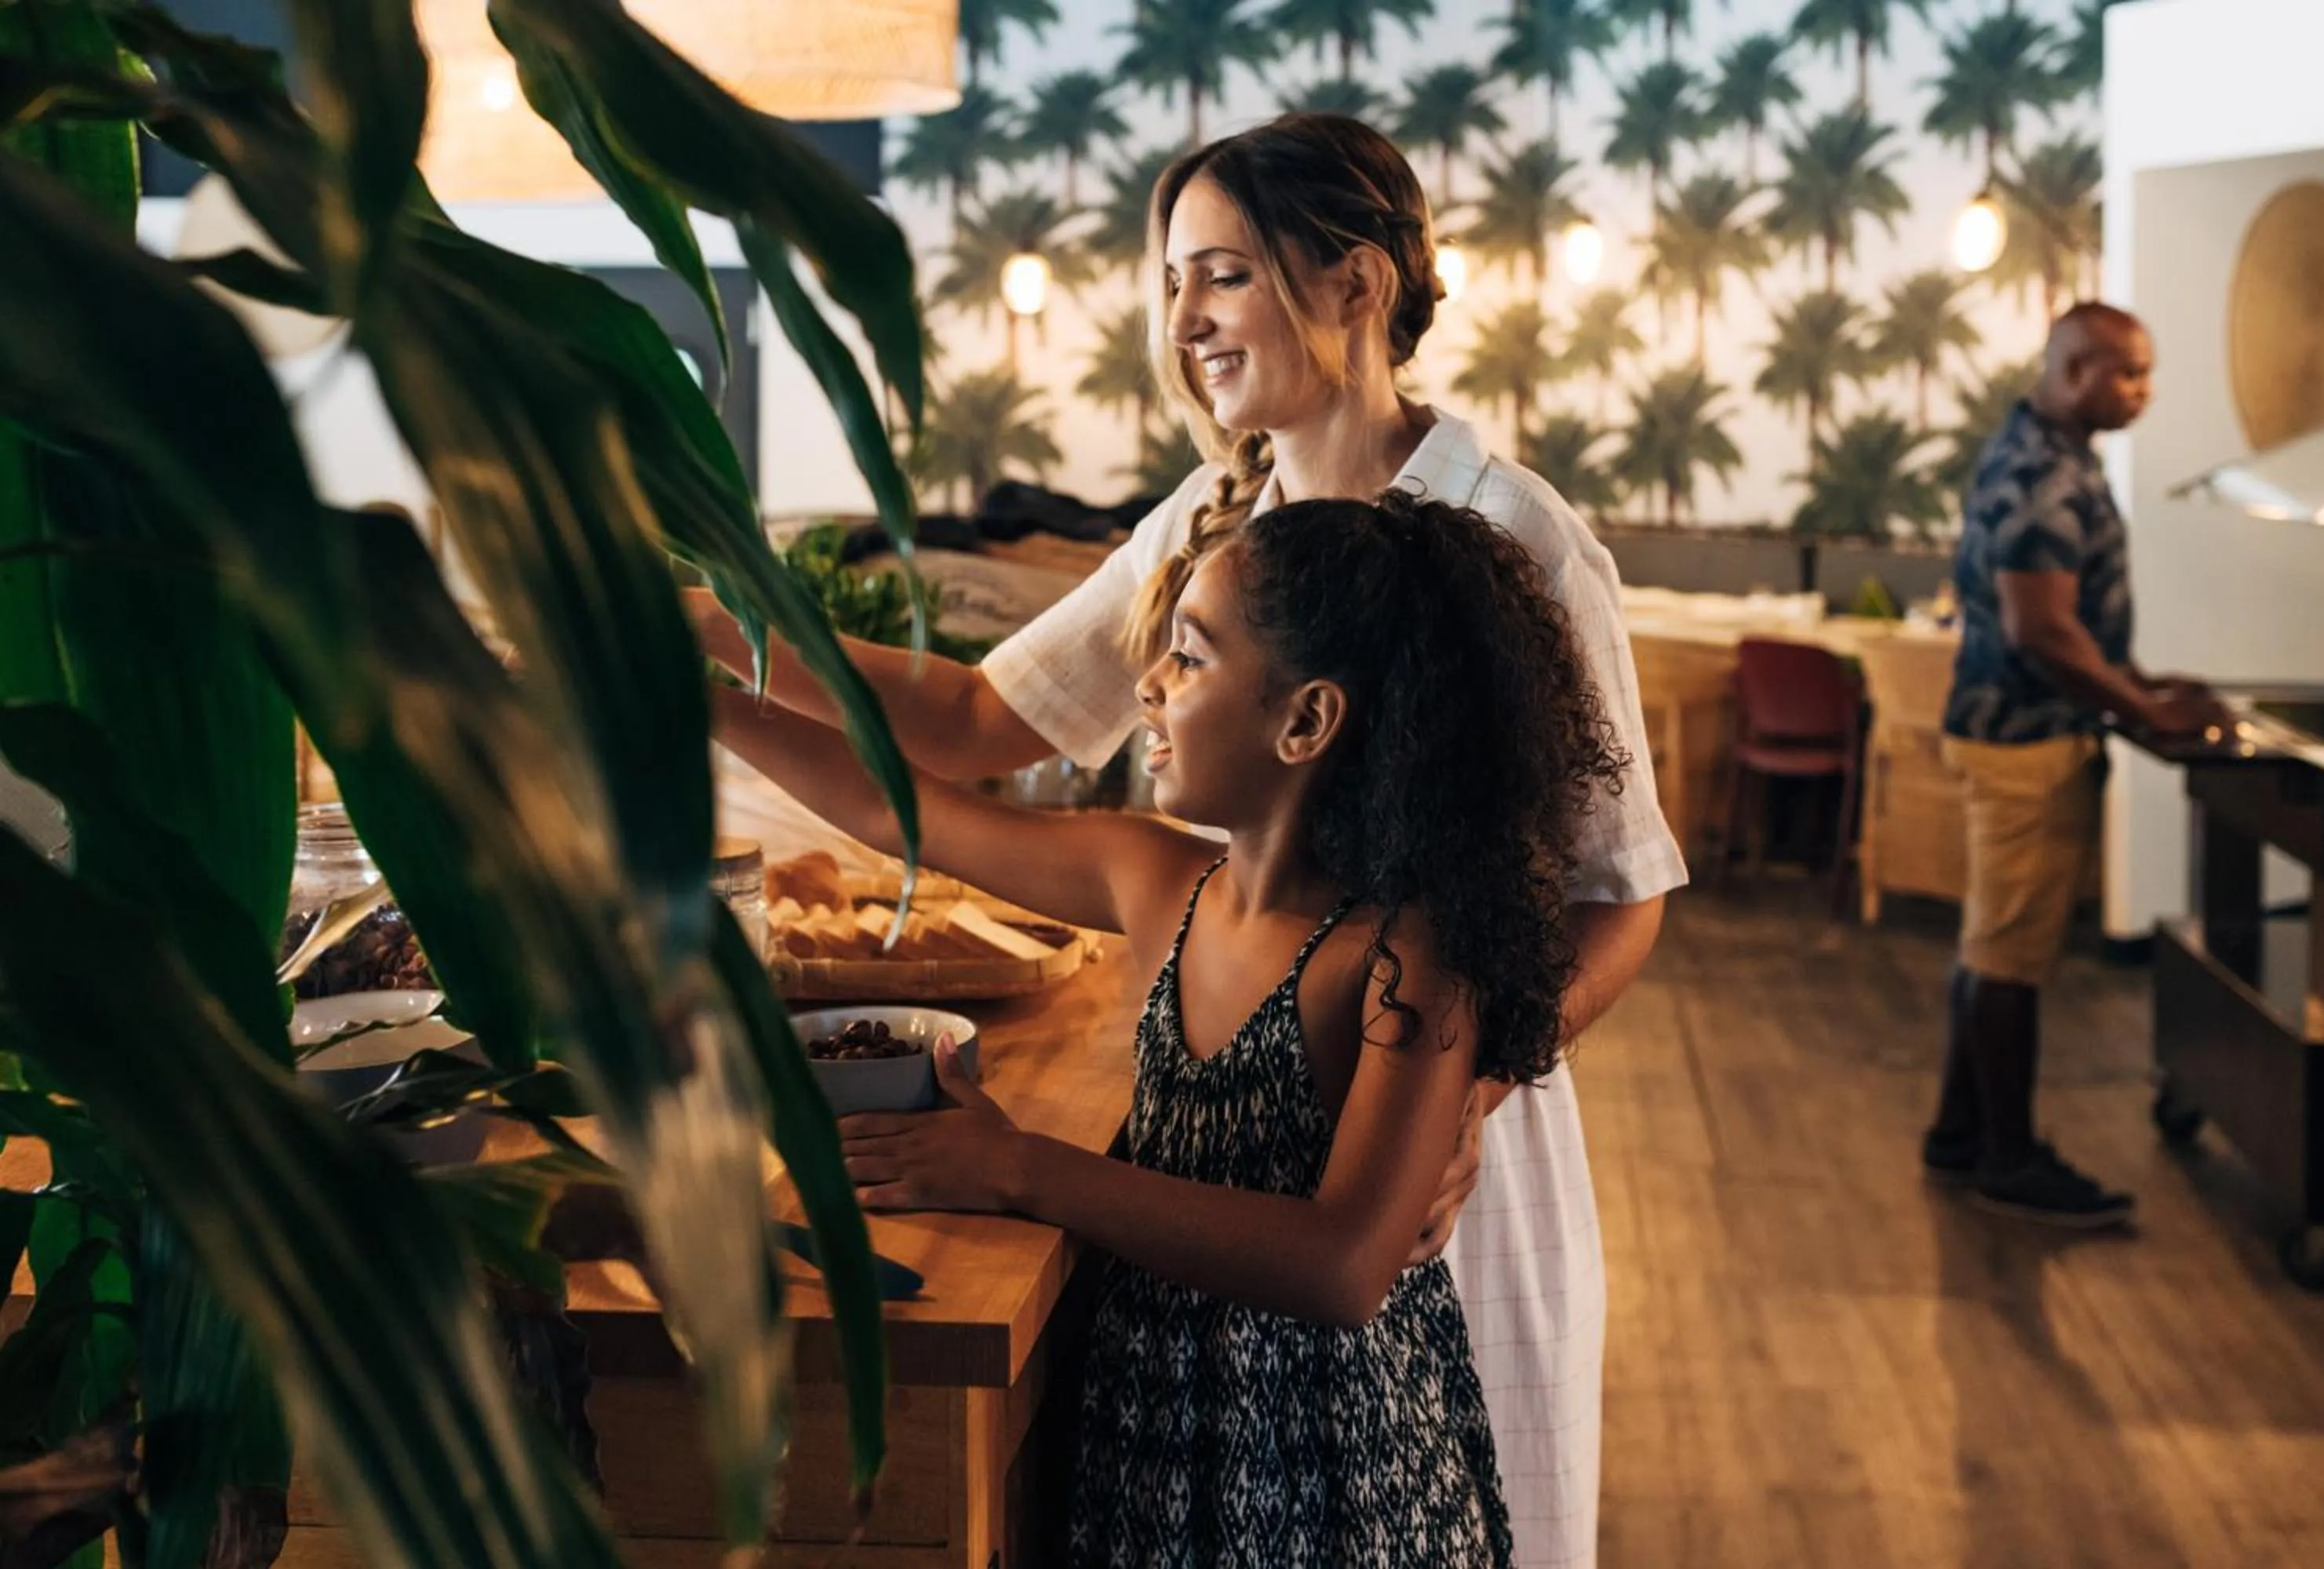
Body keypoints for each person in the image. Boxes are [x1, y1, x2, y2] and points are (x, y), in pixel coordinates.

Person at [692, 114, 1686, 1564]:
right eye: (1172, 284)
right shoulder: (1221, 526)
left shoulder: (1513, 538)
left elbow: (1623, 900)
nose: (1185, 322)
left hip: (1437, 1145)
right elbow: (978, 723)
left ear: (1356, 282)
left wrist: (1460, 1094)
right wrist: (718, 641)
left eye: (1220, 274)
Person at [716, 491, 1627, 1564]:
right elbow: (897, 812)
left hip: (1336, 1484)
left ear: (1305, 721)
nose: (1148, 685)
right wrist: (709, 703)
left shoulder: (1405, 958)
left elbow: (1343, 1266)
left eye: (1190, 660)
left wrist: (1020, 1168)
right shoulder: (1158, 878)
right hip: (1152, 1442)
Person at [1926, 302, 2228, 1227]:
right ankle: (2009, 1158)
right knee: (2010, 958)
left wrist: (2135, 677)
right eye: (2129, 373)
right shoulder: (2040, 470)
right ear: (2073, 368)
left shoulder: (2043, 453)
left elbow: (2072, 620)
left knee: (1992, 943)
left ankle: (1959, 1132)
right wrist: (2143, 711)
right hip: (2025, 741)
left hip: (2016, 729)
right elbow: (2042, 627)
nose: (2143, 392)